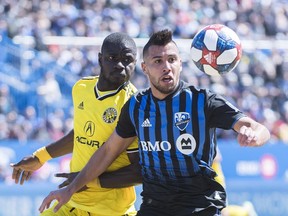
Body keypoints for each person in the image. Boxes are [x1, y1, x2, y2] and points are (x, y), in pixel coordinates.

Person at [38, 29, 271, 216]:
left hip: (199, 206)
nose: (166, 66)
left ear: (180, 63)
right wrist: (71, 189)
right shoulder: (136, 106)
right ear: (145, 68)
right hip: (154, 206)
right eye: (157, 61)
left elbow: (255, 127)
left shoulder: (203, 101)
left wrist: (254, 135)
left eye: (171, 59)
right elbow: (108, 150)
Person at [11, 32, 142, 216]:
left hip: (110, 211)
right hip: (72, 204)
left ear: (136, 63)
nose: (120, 65)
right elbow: (80, 135)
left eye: (127, 59)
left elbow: (140, 171)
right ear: (100, 59)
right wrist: (40, 157)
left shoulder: (135, 105)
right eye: (112, 58)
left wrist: (84, 182)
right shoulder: (81, 88)